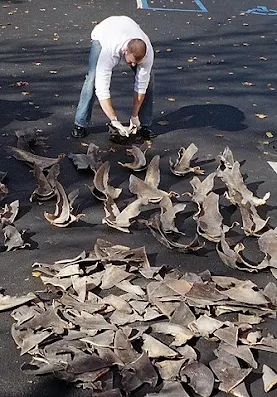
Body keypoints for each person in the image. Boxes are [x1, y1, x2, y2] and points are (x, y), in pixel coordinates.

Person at [72, 15, 156, 142]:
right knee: (93, 78)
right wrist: (114, 120)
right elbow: (102, 89)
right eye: (132, 62)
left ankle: (142, 124)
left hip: (127, 25)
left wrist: (134, 115)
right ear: (125, 51)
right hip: (104, 33)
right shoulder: (110, 50)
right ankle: (80, 123)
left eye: (136, 63)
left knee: (149, 79)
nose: (133, 65)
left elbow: (141, 86)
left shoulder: (147, 54)